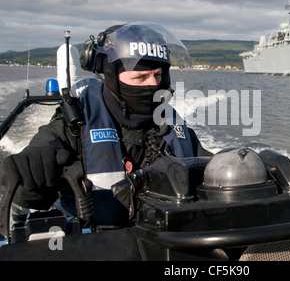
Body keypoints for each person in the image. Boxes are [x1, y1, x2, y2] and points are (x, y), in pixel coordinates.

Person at [1, 21, 211, 228]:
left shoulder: (173, 124)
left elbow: (209, 167)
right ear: (111, 78)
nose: (153, 84)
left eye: (158, 75)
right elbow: (32, 180)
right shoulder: (75, 123)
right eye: (140, 77)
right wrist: (33, 173)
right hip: (93, 242)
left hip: (166, 241)